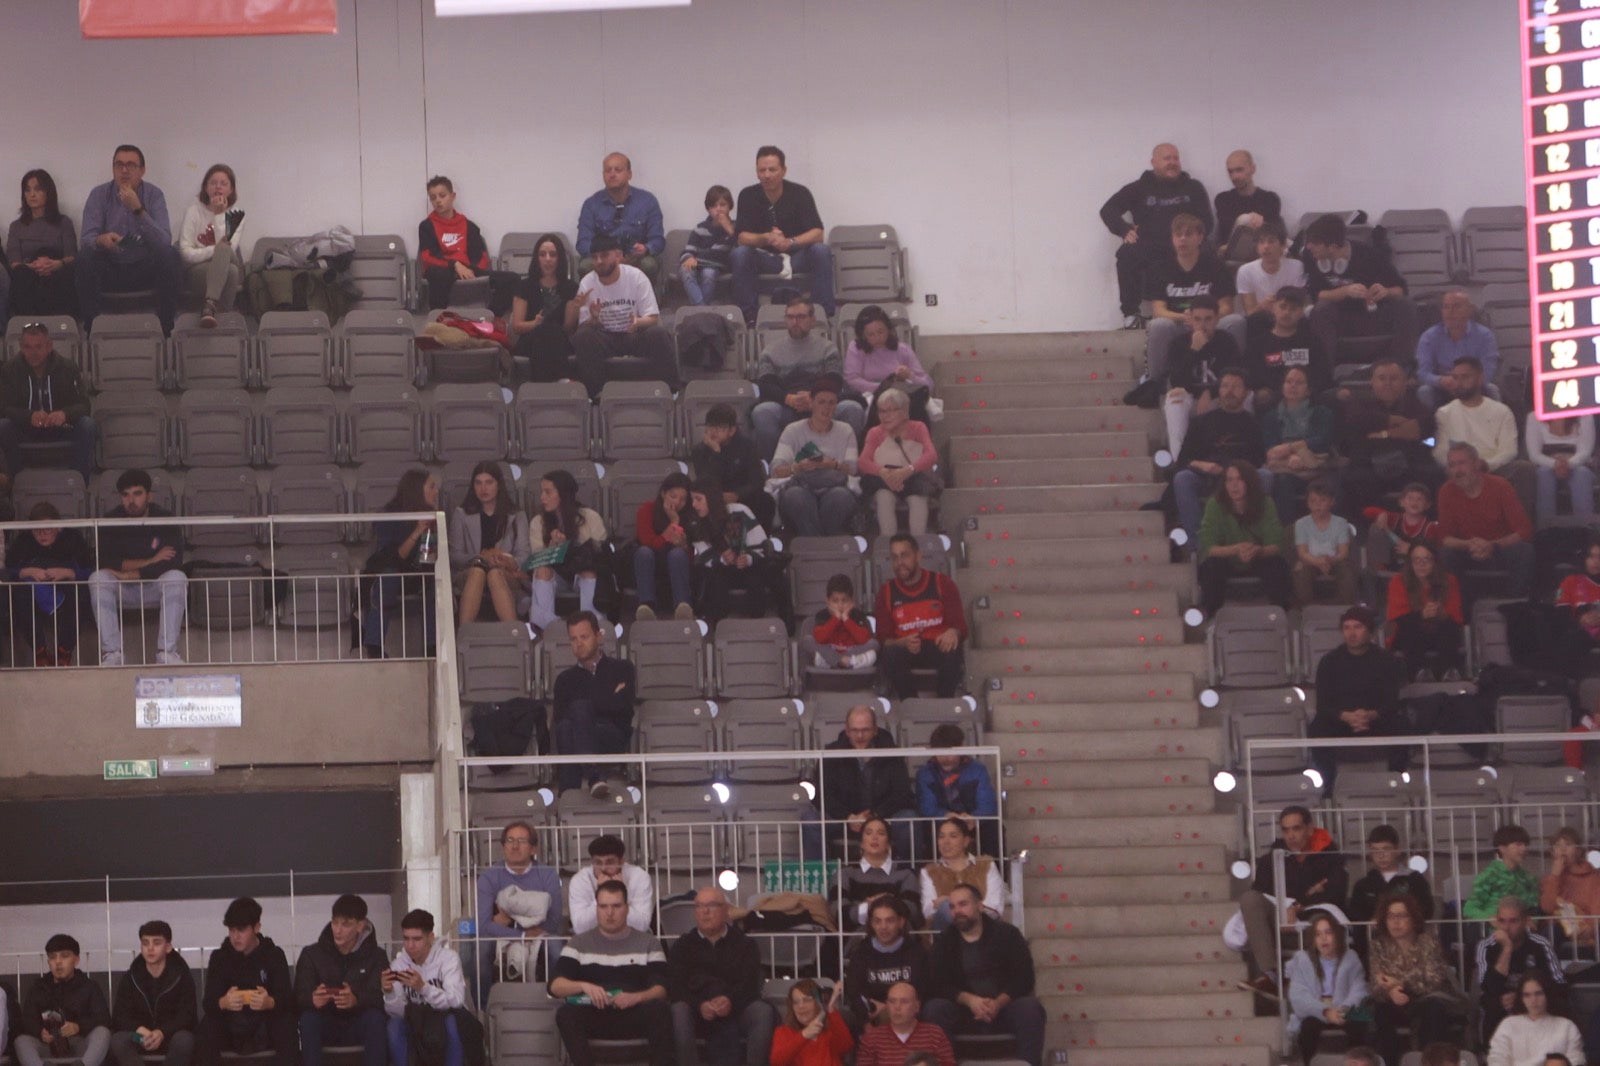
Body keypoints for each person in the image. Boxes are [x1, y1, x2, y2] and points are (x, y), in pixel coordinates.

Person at [548, 879, 673, 1066]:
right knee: (566, 1014)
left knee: (661, 1010)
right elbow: (555, 986)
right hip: (595, 1014)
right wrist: (583, 986)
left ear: (627, 908)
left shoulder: (649, 943)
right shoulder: (578, 943)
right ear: (596, 909)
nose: (609, 913)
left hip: (634, 1014)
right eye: (603, 906)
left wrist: (636, 997)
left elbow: (662, 989)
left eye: (616, 906)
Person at [923, 886, 1046, 1066]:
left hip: (1004, 1008)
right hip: (964, 1011)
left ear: (980, 906)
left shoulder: (1008, 934)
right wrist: (969, 1000)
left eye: (963, 904)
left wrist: (997, 1003)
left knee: (1030, 1008)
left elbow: (1024, 978)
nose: (957, 911)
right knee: (934, 1009)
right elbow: (937, 983)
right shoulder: (945, 942)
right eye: (952, 907)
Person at [1235, 805, 1349, 998]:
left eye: (1296, 828)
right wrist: (1287, 905)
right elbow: (1259, 890)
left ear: (1310, 829)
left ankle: (1321, 984)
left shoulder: (1330, 856)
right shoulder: (1273, 857)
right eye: (1286, 830)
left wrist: (1297, 906)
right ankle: (1271, 975)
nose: (1291, 835)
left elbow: (1335, 892)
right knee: (1249, 899)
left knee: (1322, 920)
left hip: (1313, 923)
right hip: (1280, 924)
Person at [1099, 142, 1213, 329]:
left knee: (1208, 252)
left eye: (1176, 158)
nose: (1172, 162)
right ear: (1153, 162)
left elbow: (1207, 222)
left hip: (1186, 245)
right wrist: (1124, 229)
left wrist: (1193, 238)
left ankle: (1206, 313)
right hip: (1150, 246)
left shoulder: (1193, 187)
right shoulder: (1138, 188)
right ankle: (1131, 316)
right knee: (1126, 254)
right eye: (1167, 158)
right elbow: (1107, 210)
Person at [666, 886, 774, 1066]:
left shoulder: (745, 944)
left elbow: (750, 985)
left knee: (762, 1011)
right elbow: (676, 986)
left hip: (737, 1007)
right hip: (696, 1009)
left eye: (711, 906)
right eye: (699, 906)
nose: (704, 912)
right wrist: (699, 1004)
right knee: (678, 1010)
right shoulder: (683, 945)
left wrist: (730, 1000)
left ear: (726, 910)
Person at [89, 468, 186, 666]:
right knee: (98, 578)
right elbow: (103, 560)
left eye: (137, 494)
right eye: (125, 495)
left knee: (176, 577)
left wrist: (133, 572)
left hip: (152, 586)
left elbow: (173, 561)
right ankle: (112, 653)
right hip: (122, 587)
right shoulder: (110, 520)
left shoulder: (165, 518)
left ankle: (167, 652)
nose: (131, 501)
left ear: (149, 495)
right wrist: (150, 561)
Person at [78, 145, 179, 332]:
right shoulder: (99, 194)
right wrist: (101, 240)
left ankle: (166, 329)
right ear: (113, 169)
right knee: (84, 256)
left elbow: (164, 241)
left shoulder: (154, 194)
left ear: (142, 170)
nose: (124, 170)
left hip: (143, 267)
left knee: (170, 254)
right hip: (111, 266)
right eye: (119, 165)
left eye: (131, 165)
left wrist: (138, 209)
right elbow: (86, 238)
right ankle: (91, 329)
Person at [731, 145, 834, 325]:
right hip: (765, 259)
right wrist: (766, 237)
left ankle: (822, 315)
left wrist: (790, 242)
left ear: (784, 170)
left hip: (796, 256)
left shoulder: (800, 193)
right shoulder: (747, 195)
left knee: (821, 251)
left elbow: (818, 233)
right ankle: (749, 319)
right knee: (740, 254)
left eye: (772, 169)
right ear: (756, 172)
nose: (767, 175)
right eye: (762, 170)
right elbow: (741, 238)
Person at [565, 234, 677, 398]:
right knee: (583, 336)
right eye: (595, 257)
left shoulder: (636, 277)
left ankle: (670, 391)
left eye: (604, 256)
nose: (599, 262)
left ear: (617, 256)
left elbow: (652, 318)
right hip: (605, 337)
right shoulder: (587, 283)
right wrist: (594, 319)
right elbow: (583, 326)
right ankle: (596, 394)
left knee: (658, 334)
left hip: (634, 334)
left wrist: (638, 322)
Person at [750, 298, 865, 459]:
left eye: (801, 317)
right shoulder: (770, 351)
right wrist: (788, 398)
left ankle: (843, 464)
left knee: (852, 409)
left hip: (823, 403)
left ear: (812, 320)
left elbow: (834, 380)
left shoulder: (827, 348)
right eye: (790, 317)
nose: (795, 322)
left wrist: (814, 398)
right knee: (762, 412)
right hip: (787, 405)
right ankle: (777, 468)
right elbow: (766, 385)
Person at [1367, 892, 1469, 1066]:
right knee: (1378, 1010)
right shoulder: (1378, 946)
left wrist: (1398, 983)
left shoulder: (1428, 942)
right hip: (1395, 1001)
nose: (1395, 922)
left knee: (1432, 1007)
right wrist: (1391, 991)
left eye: (1401, 916)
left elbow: (1433, 979)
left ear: (1413, 919)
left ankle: (1427, 1062)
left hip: (1427, 1000)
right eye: (1390, 916)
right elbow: (1377, 983)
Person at [1143, 213, 1245, 385]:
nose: (1182, 239)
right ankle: (1157, 384)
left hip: (1211, 325)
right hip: (1179, 325)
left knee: (1235, 321)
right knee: (1159, 325)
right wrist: (1185, 318)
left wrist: (1203, 321)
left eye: (1188, 234)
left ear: (1200, 237)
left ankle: (1236, 380)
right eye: (1178, 235)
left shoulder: (1216, 266)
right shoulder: (1160, 268)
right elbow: (1158, 310)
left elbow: (1226, 307)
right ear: (1172, 238)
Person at [1309, 605, 1406, 788]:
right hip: (1341, 721)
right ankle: (1328, 786)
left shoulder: (1387, 660)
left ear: (1369, 631)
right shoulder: (1330, 661)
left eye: (1358, 627)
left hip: (1376, 720)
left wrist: (1370, 715)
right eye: (1347, 628)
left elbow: (1392, 702)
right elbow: (1323, 705)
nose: (1352, 633)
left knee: (1401, 724)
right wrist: (1346, 716)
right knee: (1317, 727)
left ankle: (1396, 781)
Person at [1301, 213, 1418, 364]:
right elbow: (1317, 295)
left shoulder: (1368, 254)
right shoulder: (1311, 256)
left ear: (1333, 247)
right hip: (1339, 318)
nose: (1309, 246)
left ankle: (1402, 369)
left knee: (1406, 305)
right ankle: (1324, 376)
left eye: (1315, 243)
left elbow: (1401, 289)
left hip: (1371, 315)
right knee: (1321, 309)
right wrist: (1344, 291)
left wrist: (1386, 292)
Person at [195, 898, 295, 1066]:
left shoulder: (274, 955)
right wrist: (223, 1002)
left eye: (241, 930)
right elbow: (209, 1003)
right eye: (231, 930)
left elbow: (288, 1000)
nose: (235, 937)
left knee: (286, 1024)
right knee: (208, 1025)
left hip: (264, 1023)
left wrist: (270, 1002)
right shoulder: (220, 957)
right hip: (231, 1023)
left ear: (256, 927)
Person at [1171, 368, 1266, 543]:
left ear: (1246, 393)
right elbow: (1183, 460)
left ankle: (1251, 536)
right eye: (1225, 386)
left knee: (1266, 476)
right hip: (1206, 476)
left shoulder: (1252, 424)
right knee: (1182, 478)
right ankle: (1200, 544)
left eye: (1236, 386)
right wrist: (1203, 465)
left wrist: (1237, 473)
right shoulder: (1200, 422)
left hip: (1242, 477)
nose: (1229, 391)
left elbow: (1260, 459)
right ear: (1219, 391)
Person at [1339, 358, 1442, 516]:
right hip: (1369, 464)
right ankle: (1366, 530)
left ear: (1405, 382)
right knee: (1354, 479)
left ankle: (1423, 531)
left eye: (1394, 378)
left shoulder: (1415, 403)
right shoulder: (1358, 404)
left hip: (1409, 463)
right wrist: (1394, 421)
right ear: (1372, 382)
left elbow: (1422, 428)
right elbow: (1356, 422)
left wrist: (1383, 433)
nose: (1387, 383)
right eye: (1382, 378)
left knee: (1433, 474)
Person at [470, 820, 562, 996]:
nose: (515, 846)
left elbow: (554, 920)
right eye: (510, 841)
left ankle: (555, 1005)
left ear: (533, 849)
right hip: (501, 937)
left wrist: (509, 919)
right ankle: (481, 1013)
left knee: (557, 948)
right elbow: (483, 925)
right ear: (503, 847)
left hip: (539, 934)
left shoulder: (547, 874)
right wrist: (521, 934)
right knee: (480, 950)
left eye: (521, 841)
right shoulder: (489, 877)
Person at [294, 894, 387, 1066]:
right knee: (308, 1019)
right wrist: (312, 999)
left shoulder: (377, 956)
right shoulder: (311, 954)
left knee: (376, 1019)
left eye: (346, 924)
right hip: (325, 1021)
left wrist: (356, 1000)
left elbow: (381, 997)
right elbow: (298, 997)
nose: (338, 929)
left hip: (359, 1023)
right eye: (335, 922)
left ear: (360, 925)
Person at [552, 610, 638, 797]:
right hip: (576, 737)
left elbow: (624, 708)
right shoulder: (564, 680)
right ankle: (592, 778)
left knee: (578, 710)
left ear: (598, 636)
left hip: (613, 736)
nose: (578, 643)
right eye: (573, 639)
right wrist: (607, 698)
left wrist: (586, 708)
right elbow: (559, 719)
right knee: (566, 727)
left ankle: (568, 794)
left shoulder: (622, 668)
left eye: (584, 637)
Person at [1437, 442, 1536, 601]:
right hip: (1467, 550)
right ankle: (1455, 610)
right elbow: (1445, 538)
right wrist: (1469, 544)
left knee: (1525, 551)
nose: (1457, 470)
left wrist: (1492, 545)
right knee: (1445, 554)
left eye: (1461, 463)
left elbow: (1524, 531)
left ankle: (1515, 605)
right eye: (1452, 465)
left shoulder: (1500, 486)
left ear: (1476, 464)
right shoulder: (1446, 491)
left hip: (1499, 549)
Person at [0, 320, 98, 481]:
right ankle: (17, 480)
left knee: (88, 425)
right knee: (3, 426)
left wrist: (64, 414)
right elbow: (4, 408)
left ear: (49, 345)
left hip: (62, 427)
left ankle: (78, 479)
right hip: (25, 429)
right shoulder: (9, 371)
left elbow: (84, 406)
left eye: (38, 346)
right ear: (20, 346)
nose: (33, 352)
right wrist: (28, 416)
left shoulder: (68, 367)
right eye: (28, 347)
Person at [875, 533, 966, 699]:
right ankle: (910, 703)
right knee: (889, 653)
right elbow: (883, 638)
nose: (899, 563)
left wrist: (953, 632)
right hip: (905, 647)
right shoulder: (886, 592)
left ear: (918, 556)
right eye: (894, 557)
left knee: (954, 649)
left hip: (937, 645)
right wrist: (901, 642)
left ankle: (945, 703)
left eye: (905, 555)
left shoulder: (942, 583)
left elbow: (960, 625)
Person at [821, 707, 917, 862]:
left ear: (875, 730)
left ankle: (907, 874)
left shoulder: (892, 753)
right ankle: (820, 880)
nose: (859, 736)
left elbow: (901, 793)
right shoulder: (831, 753)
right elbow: (823, 794)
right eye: (854, 730)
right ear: (847, 731)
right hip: (844, 819)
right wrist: (848, 817)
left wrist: (874, 816)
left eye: (865, 730)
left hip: (883, 817)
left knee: (908, 818)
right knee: (810, 820)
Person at [382, 909, 475, 1066]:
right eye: (406, 939)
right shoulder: (398, 965)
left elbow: (456, 1001)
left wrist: (423, 988)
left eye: (417, 939)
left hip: (445, 1016)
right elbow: (397, 1013)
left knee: (452, 1023)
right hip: (416, 1019)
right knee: (394, 1026)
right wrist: (389, 993)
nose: (410, 945)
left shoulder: (448, 958)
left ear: (430, 937)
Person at [1196, 460, 1291, 617]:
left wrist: (1258, 551)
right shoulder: (1215, 504)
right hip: (1226, 559)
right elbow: (1208, 547)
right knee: (1211, 567)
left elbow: (1276, 545)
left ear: (1250, 482)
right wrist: (1236, 549)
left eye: (1239, 479)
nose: (1234, 485)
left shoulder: (1265, 503)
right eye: (1229, 480)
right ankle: (1211, 617)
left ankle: (1281, 615)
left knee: (1277, 564)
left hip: (1257, 557)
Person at [686, 477, 787, 623]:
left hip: (747, 566)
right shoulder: (695, 523)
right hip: (720, 570)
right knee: (713, 578)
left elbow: (762, 546)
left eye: (698, 499)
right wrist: (722, 559)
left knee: (758, 576)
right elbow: (702, 557)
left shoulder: (740, 511)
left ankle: (761, 623)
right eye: (692, 500)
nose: (694, 505)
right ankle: (717, 628)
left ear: (711, 498)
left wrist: (748, 559)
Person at [362, 468, 438, 659]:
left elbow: (427, 559)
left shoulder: (432, 517)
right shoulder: (390, 515)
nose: (436, 491)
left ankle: (433, 647)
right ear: (417, 490)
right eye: (431, 486)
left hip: (415, 572)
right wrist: (417, 531)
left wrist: (428, 534)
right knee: (390, 577)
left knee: (434, 583)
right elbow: (393, 557)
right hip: (387, 569)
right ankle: (374, 645)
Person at [770, 377, 861, 537]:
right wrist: (797, 467)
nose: (827, 407)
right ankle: (821, 546)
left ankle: (818, 546)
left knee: (840, 497)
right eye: (821, 402)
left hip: (833, 487)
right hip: (801, 486)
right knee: (795, 496)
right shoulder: (793, 430)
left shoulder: (845, 430)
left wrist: (832, 465)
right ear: (811, 403)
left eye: (831, 403)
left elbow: (852, 469)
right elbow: (776, 470)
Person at [7, 499, 92, 666]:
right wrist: (27, 571)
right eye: (36, 530)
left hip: (66, 585)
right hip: (32, 588)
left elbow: (91, 570)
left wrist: (68, 573)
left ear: (58, 527)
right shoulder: (23, 540)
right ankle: (40, 652)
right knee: (18, 592)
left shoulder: (72, 538)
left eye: (47, 529)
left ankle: (64, 651)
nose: (42, 535)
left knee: (80, 592)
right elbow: (7, 571)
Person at [1161, 295, 1243, 459]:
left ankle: (1238, 458)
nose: (1202, 325)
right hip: (1190, 396)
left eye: (1208, 319)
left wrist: (1210, 392)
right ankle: (1180, 461)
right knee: (1174, 401)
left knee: (1246, 397)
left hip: (1219, 396)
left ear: (1217, 318)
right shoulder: (1179, 343)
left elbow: (1235, 374)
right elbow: (1177, 380)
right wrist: (1193, 350)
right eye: (1197, 319)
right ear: (1190, 319)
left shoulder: (1226, 341)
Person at [449, 460, 529, 626]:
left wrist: (506, 559)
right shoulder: (461, 514)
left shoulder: (516, 515)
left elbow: (524, 556)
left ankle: (512, 634)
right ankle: (465, 634)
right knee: (479, 571)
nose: (483, 489)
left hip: (504, 572)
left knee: (494, 573)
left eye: (488, 483)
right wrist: (480, 558)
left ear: (498, 485)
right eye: (478, 483)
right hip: (470, 572)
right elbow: (454, 556)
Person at [418, 176, 514, 312]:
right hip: (444, 269)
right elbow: (428, 258)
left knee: (512, 280)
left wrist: (470, 271)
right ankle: (440, 317)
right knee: (437, 274)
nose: (438, 201)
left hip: (468, 269)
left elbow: (482, 256)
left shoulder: (469, 226)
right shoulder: (426, 226)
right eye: (433, 198)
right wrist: (455, 265)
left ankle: (491, 315)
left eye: (442, 195)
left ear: (452, 196)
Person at [526, 469, 605, 633]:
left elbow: (600, 555)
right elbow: (536, 560)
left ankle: (591, 622)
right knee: (542, 571)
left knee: (590, 572)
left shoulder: (591, 517)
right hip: (558, 578)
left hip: (580, 574)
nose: (542, 497)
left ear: (564, 494)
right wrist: (553, 548)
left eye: (548, 492)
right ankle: (546, 625)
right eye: (542, 492)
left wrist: (569, 547)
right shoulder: (538, 522)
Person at [1286, 913, 1371, 1064]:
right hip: (1316, 1011)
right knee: (1308, 1027)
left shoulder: (1350, 957)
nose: (1323, 938)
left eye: (1328, 932)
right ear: (1313, 940)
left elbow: (1359, 989)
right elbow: (1298, 997)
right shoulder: (1303, 960)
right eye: (1318, 934)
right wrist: (1325, 1011)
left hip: (1345, 1010)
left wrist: (1344, 1009)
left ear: (1337, 935)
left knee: (1359, 1023)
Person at [15, 934, 112, 1066]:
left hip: (80, 1045)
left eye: (65, 956)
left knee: (103, 1033)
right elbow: (27, 1020)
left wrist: (78, 1027)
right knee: (21, 1041)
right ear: (48, 962)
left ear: (76, 960)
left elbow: (103, 1018)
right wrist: (39, 1032)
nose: (58, 962)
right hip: (48, 1046)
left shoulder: (89, 986)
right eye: (53, 957)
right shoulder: (38, 988)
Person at [111, 921, 197, 1066]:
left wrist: (161, 1032)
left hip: (168, 1036)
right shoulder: (131, 976)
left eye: (156, 943)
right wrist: (140, 1030)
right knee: (118, 1040)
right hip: (141, 1036)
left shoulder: (182, 976)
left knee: (184, 1039)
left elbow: (188, 1016)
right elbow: (119, 1016)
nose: (150, 948)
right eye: (145, 943)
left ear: (168, 947)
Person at [858, 388, 937, 535]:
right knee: (883, 498)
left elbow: (931, 455)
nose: (885, 417)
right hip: (885, 480)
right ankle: (889, 548)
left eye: (891, 411)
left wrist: (907, 471)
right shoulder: (875, 432)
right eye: (881, 411)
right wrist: (883, 473)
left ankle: (917, 546)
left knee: (917, 499)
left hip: (913, 477)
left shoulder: (918, 428)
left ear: (905, 411)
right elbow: (863, 461)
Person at [842, 897, 928, 1031]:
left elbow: (921, 991)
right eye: (878, 921)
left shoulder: (916, 953)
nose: (883, 927)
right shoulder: (861, 953)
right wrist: (866, 1022)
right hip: (871, 1013)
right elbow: (854, 992)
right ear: (871, 924)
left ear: (901, 922)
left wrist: (890, 1007)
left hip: (909, 1013)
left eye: (889, 921)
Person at [1262, 367, 1335, 523]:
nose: (1293, 386)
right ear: (1282, 387)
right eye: (1289, 382)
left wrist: (1293, 450)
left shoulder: (1322, 413)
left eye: (1299, 382)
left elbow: (1323, 440)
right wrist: (1293, 455)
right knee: (1282, 482)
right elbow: (1271, 449)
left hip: (1315, 466)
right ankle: (1288, 534)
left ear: (1308, 390)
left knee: (1332, 484)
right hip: (1284, 467)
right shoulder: (1271, 417)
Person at [575, 153, 664, 280]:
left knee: (649, 264)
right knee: (585, 265)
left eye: (618, 170)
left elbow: (658, 240)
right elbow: (583, 243)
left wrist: (646, 248)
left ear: (629, 174)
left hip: (636, 259)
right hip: (603, 259)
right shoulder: (591, 204)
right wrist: (606, 255)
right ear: (603, 175)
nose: (612, 174)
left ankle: (642, 299)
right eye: (608, 170)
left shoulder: (648, 201)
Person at [914, 723, 999, 857]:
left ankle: (994, 873)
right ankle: (932, 874)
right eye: (940, 753)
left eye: (950, 752)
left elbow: (988, 805)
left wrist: (974, 818)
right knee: (927, 829)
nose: (946, 758)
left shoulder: (978, 770)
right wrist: (946, 816)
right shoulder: (925, 774)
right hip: (940, 824)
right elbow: (927, 808)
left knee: (993, 828)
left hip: (972, 823)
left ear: (961, 748)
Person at [177, 164, 244, 327]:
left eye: (224, 183)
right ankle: (224, 320)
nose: (218, 187)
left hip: (227, 259)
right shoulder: (193, 211)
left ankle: (209, 305)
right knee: (232, 271)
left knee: (225, 249)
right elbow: (185, 252)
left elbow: (229, 250)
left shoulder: (236, 215)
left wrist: (219, 214)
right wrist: (215, 250)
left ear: (231, 189)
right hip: (198, 269)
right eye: (213, 183)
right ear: (206, 188)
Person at [1386, 542, 1465, 681]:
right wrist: (1422, 614)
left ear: (1435, 562)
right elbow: (1398, 618)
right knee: (1411, 628)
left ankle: (1449, 673)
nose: (1421, 564)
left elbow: (1456, 617)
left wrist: (1441, 612)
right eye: (1416, 560)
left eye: (1426, 559)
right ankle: (1419, 674)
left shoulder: (1449, 581)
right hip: (1409, 632)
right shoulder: (1398, 581)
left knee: (1448, 626)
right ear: (1410, 562)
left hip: (1439, 632)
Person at [1348, 825, 1435, 951]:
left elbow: (1427, 910)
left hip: (1410, 946)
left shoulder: (1414, 880)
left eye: (1386, 849)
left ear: (1398, 850)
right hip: (1373, 947)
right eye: (1375, 850)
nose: (1381, 855)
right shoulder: (1362, 885)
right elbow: (1355, 918)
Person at [843, 306, 934, 425]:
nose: (877, 338)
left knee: (917, 407)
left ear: (888, 329)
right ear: (863, 335)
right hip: (871, 397)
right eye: (871, 334)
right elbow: (851, 380)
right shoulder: (856, 348)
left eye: (881, 332)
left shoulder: (902, 349)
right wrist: (882, 389)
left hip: (902, 397)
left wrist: (910, 376)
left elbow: (928, 385)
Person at [509, 233, 580, 383]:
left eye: (553, 255)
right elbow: (516, 326)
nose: (548, 259)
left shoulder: (570, 287)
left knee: (552, 330)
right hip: (530, 340)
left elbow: (568, 329)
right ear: (537, 258)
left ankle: (542, 387)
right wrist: (534, 324)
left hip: (559, 341)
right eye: (542, 254)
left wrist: (575, 307)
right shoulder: (524, 285)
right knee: (545, 330)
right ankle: (562, 380)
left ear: (559, 258)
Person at [691, 403, 773, 529]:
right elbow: (705, 483)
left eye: (720, 427)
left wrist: (737, 494)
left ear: (732, 430)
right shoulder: (699, 451)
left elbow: (757, 481)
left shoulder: (747, 446)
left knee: (765, 500)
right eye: (711, 426)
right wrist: (715, 453)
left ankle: (760, 543)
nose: (714, 431)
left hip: (744, 496)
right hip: (715, 499)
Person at [834, 815, 922, 932]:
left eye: (881, 833)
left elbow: (912, 910)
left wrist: (874, 905)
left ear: (889, 843)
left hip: (898, 939)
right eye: (869, 833)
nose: (874, 837)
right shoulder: (845, 874)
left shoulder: (906, 874)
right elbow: (837, 912)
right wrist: (882, 905)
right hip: (858, 941)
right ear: (861, 842)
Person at [8, 168, 77, 316]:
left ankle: (62, 324)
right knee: (21, 275)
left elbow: (72, 256)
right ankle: (27, 326)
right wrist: (35, 266)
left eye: (38, 189)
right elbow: (14, 263)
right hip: (28, 273)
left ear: (48, 192)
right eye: (27, 190)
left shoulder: (64, 222)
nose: (32, 194)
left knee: (67, 273)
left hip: (57, 271)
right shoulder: (16, 226)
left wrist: (57, 264)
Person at [1417, 291, 1502, 409]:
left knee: (1492, 389)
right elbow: (1422, 373)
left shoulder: (1485, 336)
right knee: (1424, 391)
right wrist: (1441, 380)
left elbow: (1488, 371)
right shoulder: (1429, 337)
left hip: (1474, 387)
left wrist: (1467, 382)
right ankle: (1431, 427)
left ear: (1469, 310)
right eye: (1446, 307)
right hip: (1443, 387)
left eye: (1457, 306)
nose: (1450, 312)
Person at [1433, 357, 1519, 474]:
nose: (1458, 383)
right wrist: (1460, 466)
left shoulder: (1502, 411)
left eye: (1465, 377)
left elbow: (1509, 450)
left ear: (1480, 379)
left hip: (1494, 469)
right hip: (1459, 472)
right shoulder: (1444, 413)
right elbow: (1440, 452)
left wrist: (1486, 465)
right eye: (1455, 378)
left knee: (1523, 468)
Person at [1244, 287, 1324, 409]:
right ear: (1273, 308)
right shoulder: (1257, 345)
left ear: (1301, 312)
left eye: (1293, 309)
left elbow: (1321, 375)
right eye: (1283, 306)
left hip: (1307, 401)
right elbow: (1254, 379)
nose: (1287, 312)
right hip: (1271, 403)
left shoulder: (1312, 342)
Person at [919, 817, 1005, 931]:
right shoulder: (929, 871)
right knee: (945, 909)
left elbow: (994, 908)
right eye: (941, 836)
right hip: (947, 932)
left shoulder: (985, 864)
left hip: (983, 928)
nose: (946, 842)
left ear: (966, 841)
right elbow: (929, 911)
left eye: (953, 836)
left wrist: (950, 901)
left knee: (946, 905)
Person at [633, 471, 695, 621]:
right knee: (644, 552)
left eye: (683, 500)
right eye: (673, 496)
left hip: (678, 564)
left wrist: (684, 546)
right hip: (651, 561)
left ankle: (683, 607)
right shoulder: (647, 509)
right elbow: (648, 542)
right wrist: (674, 522)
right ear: (663, 494)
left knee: (677, 554)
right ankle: (646, 606)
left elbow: (694, 552)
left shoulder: (691, 515)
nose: (677, 503)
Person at [1487, 973, 1584, 1066]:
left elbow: (1575, 1061)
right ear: (1521, 998)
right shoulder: (1508, 1025)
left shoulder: (1567, 1026)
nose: (1533, 1000)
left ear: (1547, 994)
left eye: (1538, 993)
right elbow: (1497, 1059)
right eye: (1527, 995)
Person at [570, 835, 655, 935]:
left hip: (631, 938)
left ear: (622, 861)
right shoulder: (580, 880)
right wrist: (600, 895)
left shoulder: (639, 877)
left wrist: (620, 896)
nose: (603, 868)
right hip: (593, 940)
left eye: (609, 862)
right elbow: (580, 928)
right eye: (598, 862)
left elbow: (642, 926)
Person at [855, 983, 955, 1066]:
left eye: (904, 1002)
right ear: (887, 1005)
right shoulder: (872, 1038)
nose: (897, 1007)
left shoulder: (935, 1034)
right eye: (892, 1001)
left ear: (917, 1006)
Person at [1292, 479, 1358, 605]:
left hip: (1334, 560)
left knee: (1347, 570)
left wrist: (1329, 560)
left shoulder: (1341, 523)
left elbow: (1343, 552)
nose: (1317, 505)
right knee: (1301, 572)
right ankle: (1307, 609)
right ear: (1307, 503)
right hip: (1310, 560)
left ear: (1332, 502)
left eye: (1322, 500)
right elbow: (1302, 552)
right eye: (1313, 501)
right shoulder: (1301, 524)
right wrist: (1317, 561)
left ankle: (1345, 608)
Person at [1214, 149, 1284, 262]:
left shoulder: (1270, 199)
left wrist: (1263, 224)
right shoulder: (1223, 199)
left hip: (1264, 250)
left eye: (1239, 170)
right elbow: (1228, 226)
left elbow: (1275, 230)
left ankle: (1291, 247)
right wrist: (1251, 219)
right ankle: (1290, 248)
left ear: (1253, 169)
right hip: (1233, 252)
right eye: (1230, 172)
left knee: (1275, 236)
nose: (1234, 176)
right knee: (1245, 220)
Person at [1527, 410, 1595, 525]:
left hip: (1577, 464)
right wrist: (1555, 464)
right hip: (1546, 464)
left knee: (1581, 475)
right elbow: (1534, 455)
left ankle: (1587, 530)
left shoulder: (1585, 415)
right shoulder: (1534, 416)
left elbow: (1585, 451)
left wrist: (1568, 464)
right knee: (1544, 476)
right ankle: (1546, 530)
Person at [802, 573, 878, 671]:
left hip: (852, 654)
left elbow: (863, 640)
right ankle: (840, 662)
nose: (840, 605)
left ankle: (843, 662)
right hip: (829, 653)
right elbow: (819, 638)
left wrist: (846, 620)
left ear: (851, 602)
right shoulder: (822, 615)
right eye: (835, 601)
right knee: (807, 641)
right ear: (828, 601)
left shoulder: (858, 615)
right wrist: (836, 618)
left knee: (874, 644)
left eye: (844, 601)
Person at [768, 980, 852, 1066]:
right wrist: (804, 1035)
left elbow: (845, 1046)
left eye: (807, 1000)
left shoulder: (830, 1030)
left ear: (817, 1003)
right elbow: (776, 1062)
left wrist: (830, 1008)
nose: (801, 1006)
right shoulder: (783, 1032)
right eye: (796, 1002)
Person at [1542, 827, 1600, 949]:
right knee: (1551, 932)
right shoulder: (1550, 879)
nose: (1563, 849)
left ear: (1578, 851)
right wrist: (1555, 876)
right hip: (1560, 928)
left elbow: (1596, 908)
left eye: (1568, 844)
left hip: (1586, 927)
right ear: (1553, 852)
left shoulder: (1593, 877)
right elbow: (1547, 908)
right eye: (1558, 845)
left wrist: (1590, 928)